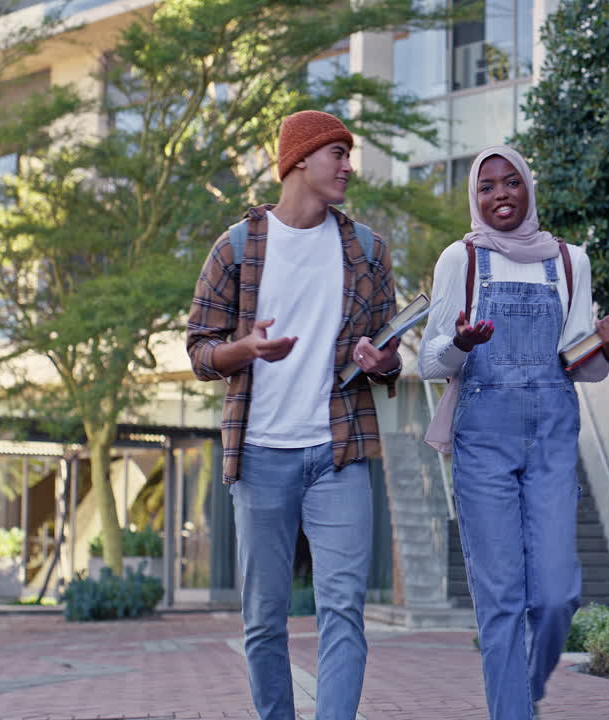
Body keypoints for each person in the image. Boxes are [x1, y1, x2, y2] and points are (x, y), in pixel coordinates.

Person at [186, 109, 401, 720]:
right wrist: (244, 349)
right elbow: (199, 349)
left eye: (349, 153)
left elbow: (391, 357)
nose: (348, 166)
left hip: (340, 454)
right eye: (337, 153)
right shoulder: (236, 247)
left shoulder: (366, 251)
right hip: (258, 456)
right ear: (299, 160)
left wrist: (380, 358)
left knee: (343, 612)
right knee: (263, 619)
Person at [419, 145, 609, 719]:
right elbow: (429, 360)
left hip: (551, 434)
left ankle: (525, 691)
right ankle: (513, 711)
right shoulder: (459, 260)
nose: (500, 195)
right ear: (475, 196)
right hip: (482, 436)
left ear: (528, 188)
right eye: (486, 186)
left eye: (510, 182)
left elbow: (581, 365)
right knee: (501, 601)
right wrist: (462, 343)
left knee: (558, 594)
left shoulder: (570, 261)